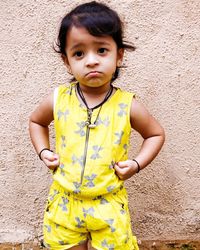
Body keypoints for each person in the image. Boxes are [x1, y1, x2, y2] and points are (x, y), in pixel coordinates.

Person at [29, 1, 165, 250]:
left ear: (119, 54)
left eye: (101, 50)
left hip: (108, 204)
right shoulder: (58, 99)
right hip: (65, 202)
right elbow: (36, 121)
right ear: (67, 61)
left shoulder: (127, 104)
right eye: (79, 53)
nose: (91, 61)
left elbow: (155, 134)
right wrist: (43, 151)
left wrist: (136, 164)